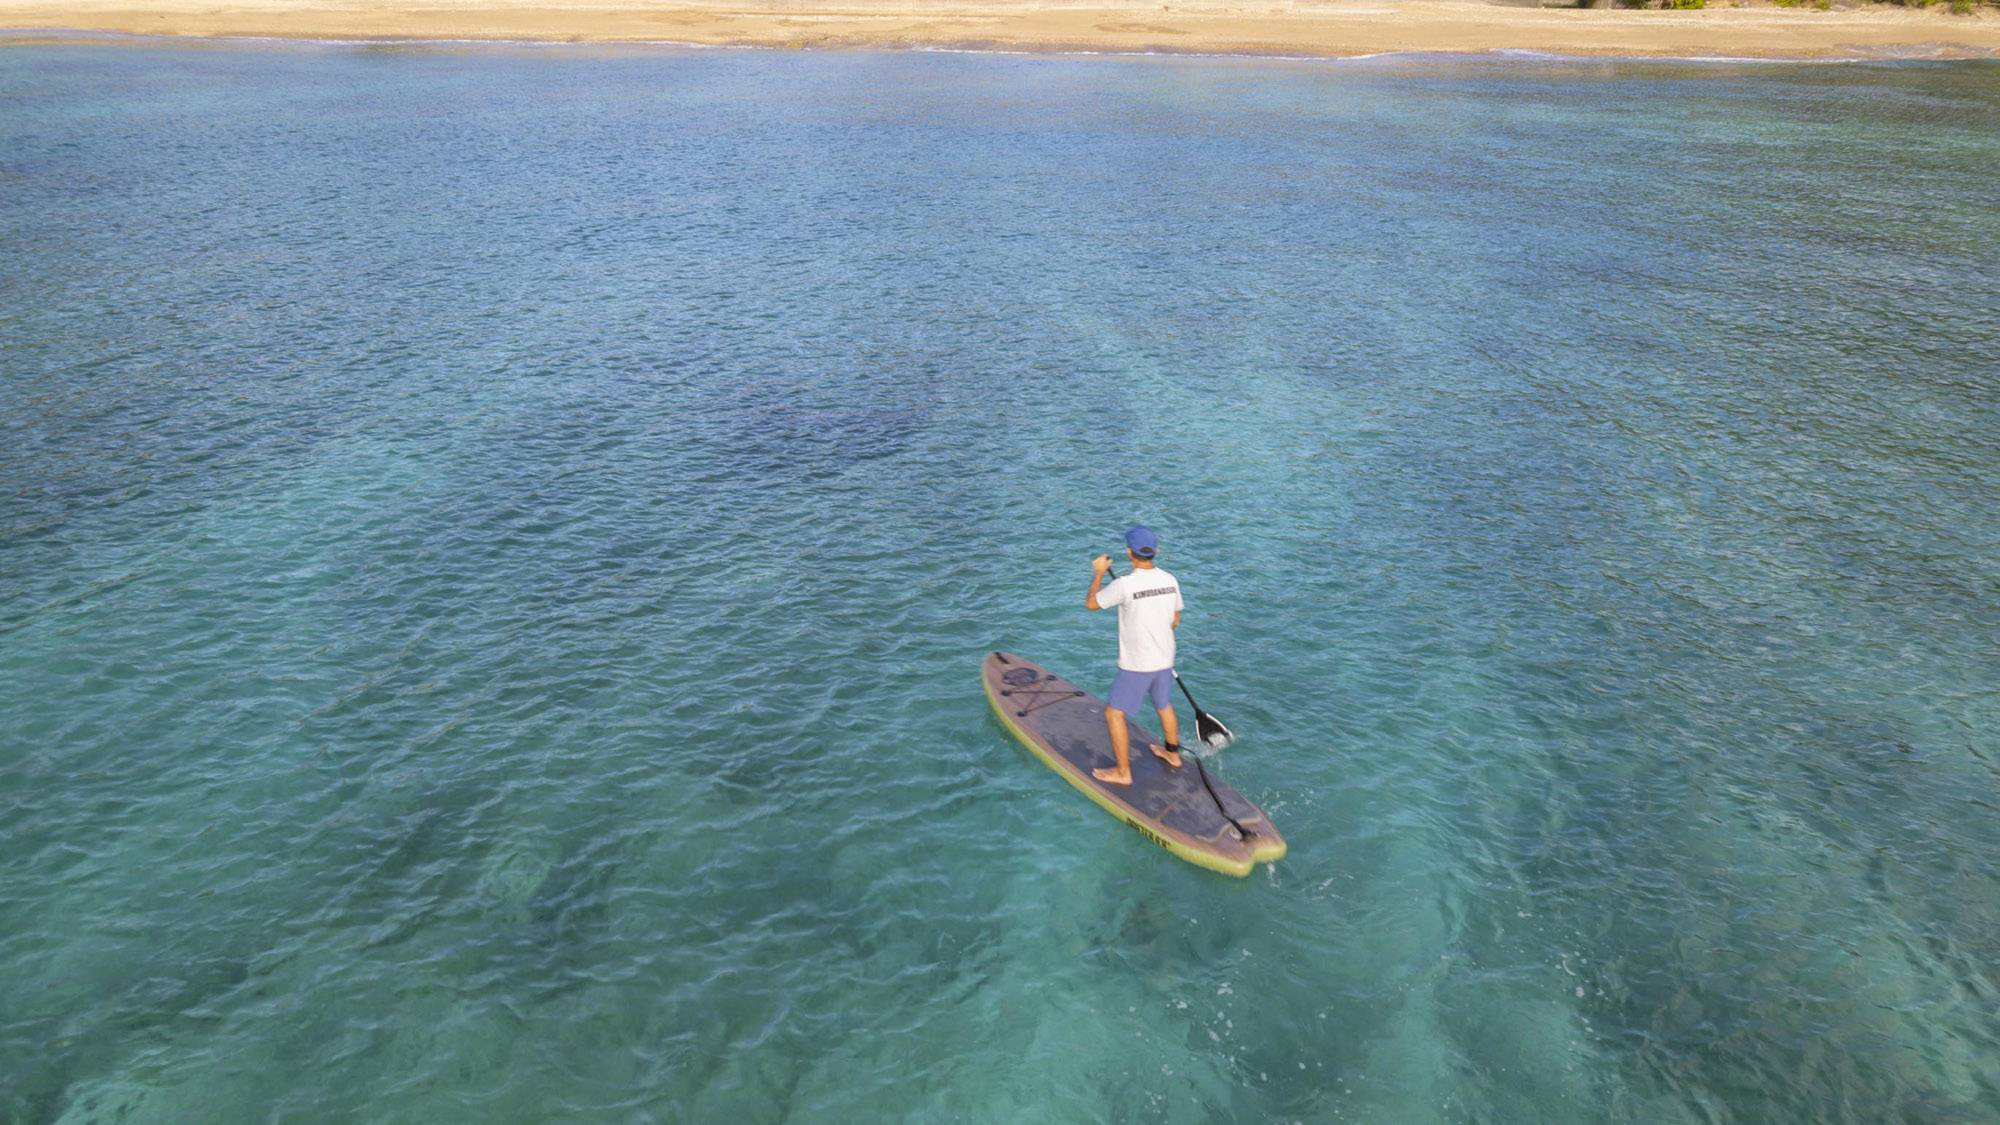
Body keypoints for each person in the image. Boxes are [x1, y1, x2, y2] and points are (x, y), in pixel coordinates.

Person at [1085, 526, 1184, 786]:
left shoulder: (1124, 585)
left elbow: (1092, 604)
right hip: (1165, 658)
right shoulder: (1170, 579)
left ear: (1129, 552)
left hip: (1137, 665)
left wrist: (1097, 573)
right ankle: (1173, 756)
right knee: (1163, 705)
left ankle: (1123, 772)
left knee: (1113, 714)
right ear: (1156, 551)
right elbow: (1174, 620)